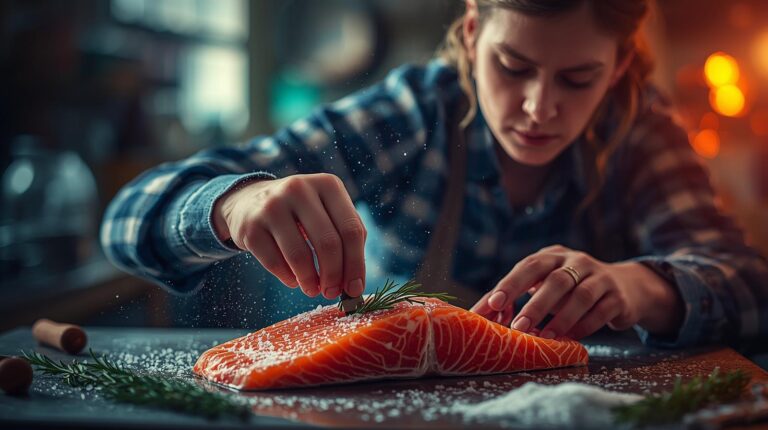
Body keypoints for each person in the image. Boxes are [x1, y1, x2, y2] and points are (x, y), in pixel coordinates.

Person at [102, 0, 768, 347]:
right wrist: (235, 204)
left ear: (618, 67)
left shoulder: (641, 132)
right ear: (474, 34)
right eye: (513, 67)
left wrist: (639, 287)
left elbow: (749, 284)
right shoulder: (415, 113)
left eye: (577, 78)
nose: (539, 108)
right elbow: (126, 221)